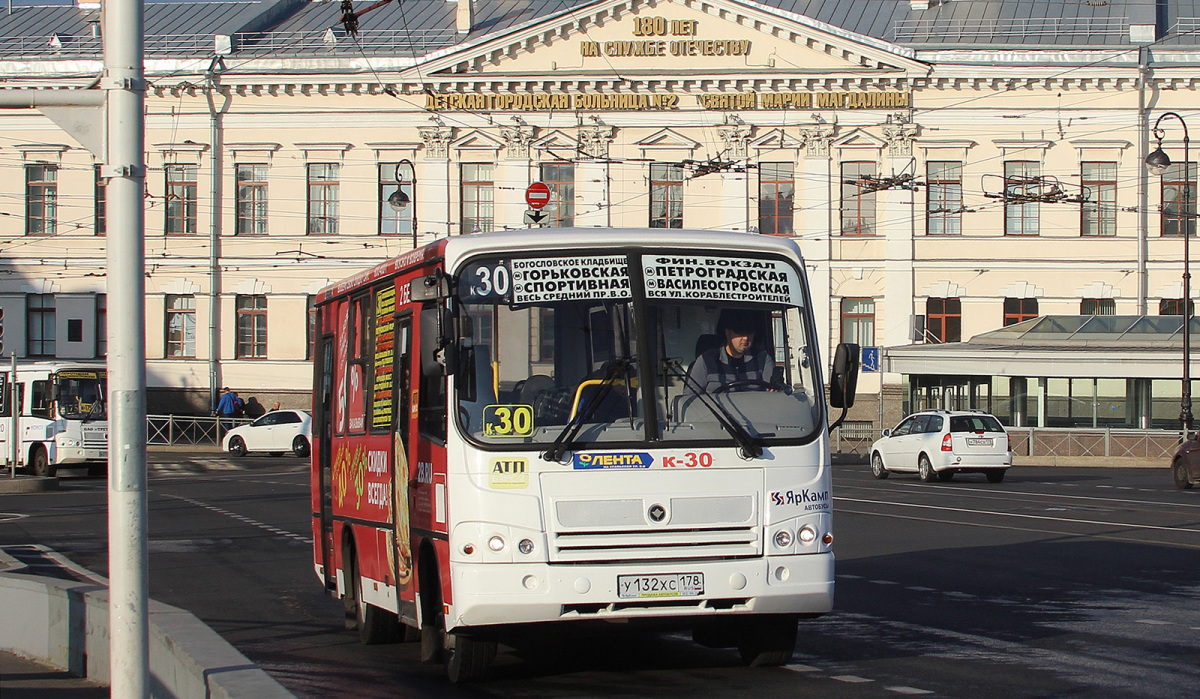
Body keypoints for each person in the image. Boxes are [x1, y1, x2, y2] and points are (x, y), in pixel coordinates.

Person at [688, 310, 778, 394]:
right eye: (740, 332)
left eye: (749, 333)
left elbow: (773, 393)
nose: (746, 338)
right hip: (716, 410)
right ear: (728, 333)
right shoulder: (706, 361)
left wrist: (775, 390)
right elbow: (690, 398)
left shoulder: (763, 359)